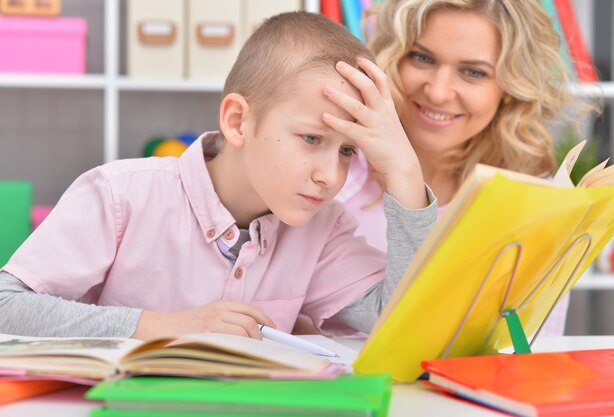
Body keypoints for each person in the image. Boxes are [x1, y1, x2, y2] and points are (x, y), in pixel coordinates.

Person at [0, 11, 437, 340]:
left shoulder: (322, 229)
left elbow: (402, 326)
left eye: (347, 151)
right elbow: (6, 306)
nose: (330, 175)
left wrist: (403, 169)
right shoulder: (120, 195)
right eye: (310, 139)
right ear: (238, 122)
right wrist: (162, 327)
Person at [337, 0, 598, 335]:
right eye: (422, 58)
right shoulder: (331, 170)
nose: (439, 91)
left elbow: (527, 346)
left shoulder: (531, 201)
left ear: (509, 87)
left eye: (473, 72)